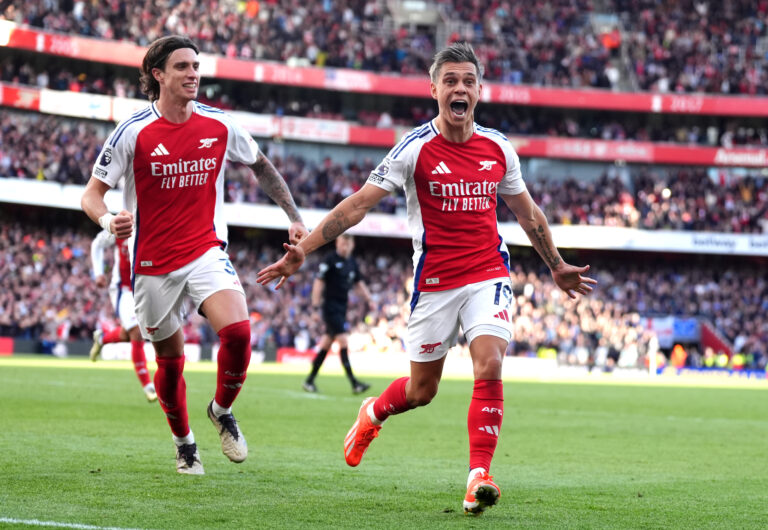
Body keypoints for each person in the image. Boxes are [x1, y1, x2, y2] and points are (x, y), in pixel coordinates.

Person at [257, 42, 596, 515]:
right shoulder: (413, 150)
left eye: (468, 81)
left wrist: (555, 263)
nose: (460, 88)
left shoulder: (499, 148)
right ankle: (372, 412)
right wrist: (304, 251)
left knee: (490, 364)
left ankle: (479, 474)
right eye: (450, 80)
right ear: (433, 88)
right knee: (422, 392)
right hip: (435, 283)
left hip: (488, 274)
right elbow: (357, 205)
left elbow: (529, 214)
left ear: (480, 90)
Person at [81, 35, 308, 475]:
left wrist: (294, 216)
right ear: (158, 75)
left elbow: (261, 164)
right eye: (182, 66)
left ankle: (221, 410)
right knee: (170, 360)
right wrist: (109, 221)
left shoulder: (219, 124)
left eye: (196, 66)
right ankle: (185, 444)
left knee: (240, 331)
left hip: (205, 250)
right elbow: (91, 195)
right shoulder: (132, 132)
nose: (193, 74)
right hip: (150, 266)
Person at [89, 228, 157, 403]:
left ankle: (102, 339)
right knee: (137, 333)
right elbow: (97, 243)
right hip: (124, 290)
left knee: (129, 335)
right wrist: (98, 273)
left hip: (145, 291)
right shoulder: (122, 224)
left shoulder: (155, 224)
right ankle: (148, 386)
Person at [302, 233, 372, 395]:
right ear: (337, 244)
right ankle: (355, 383)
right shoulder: (330, 260)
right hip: (330, 308)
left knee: (326, 344)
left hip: (342, 308)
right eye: (342, 243)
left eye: (347, 244)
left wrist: (369, 299)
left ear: (352, 245)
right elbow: (319, 282)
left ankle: (309, 380)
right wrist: (314, 307)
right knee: (343, 341)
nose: (344, 246)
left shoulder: (352, 263)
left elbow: (359, 283)